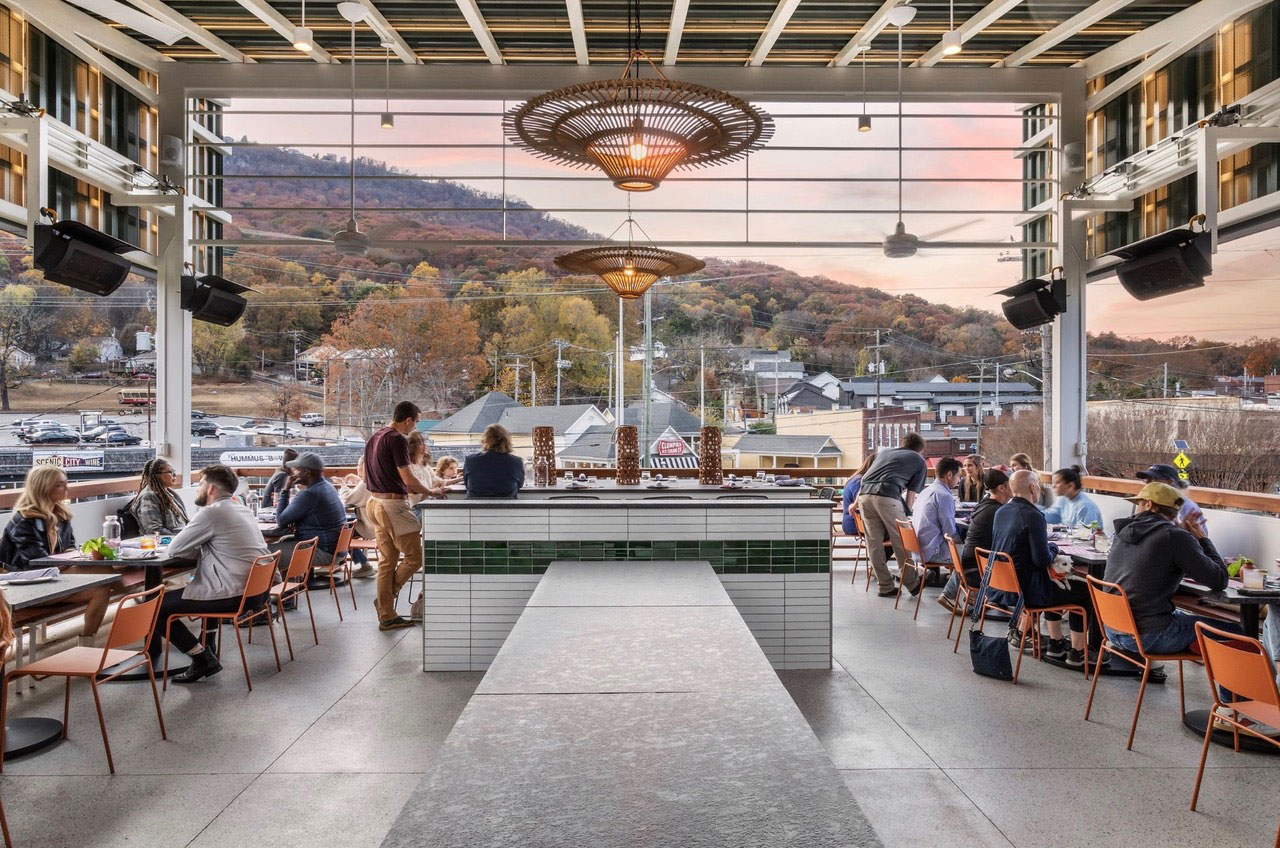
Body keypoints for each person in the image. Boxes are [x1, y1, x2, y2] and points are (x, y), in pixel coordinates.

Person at [147, 464, 271, 683]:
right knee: (203, 583)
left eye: (200, 483)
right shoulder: (240, 508)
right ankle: (208, 644)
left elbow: (175, 550)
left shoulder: (211, 513)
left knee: (155, 608)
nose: (197, 489)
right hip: (258, 592)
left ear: (211, 488)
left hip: (234, 594)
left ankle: (202, 658)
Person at [1103, 482, 1231, 654]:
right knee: (1236, 632)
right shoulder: (1174, 537)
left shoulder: (1121, 532)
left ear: (1149, 505)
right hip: (1148, 636)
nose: (1136, 509)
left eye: (1139, 504)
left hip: (1113, 629)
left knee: (1183, 617)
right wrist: (1202, 538)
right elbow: (1220, 579)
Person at [991, 469, 1098, 667]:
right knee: (1085, 592)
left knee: (1054, 582)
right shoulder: (1033, 515)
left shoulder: (1001, 511)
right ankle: (1078, 652)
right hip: (1028, 591)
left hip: (1003, 585)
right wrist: (1054, 547)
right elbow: (1042, 560)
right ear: (1033, 488)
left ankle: (1056, 644)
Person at [0, 466, 110, 640]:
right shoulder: (24, 521)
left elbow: (69, 547)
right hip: (26, 586)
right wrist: (71, 561)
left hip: (53, 579)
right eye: (60, 485)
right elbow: (36, 562)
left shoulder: (60, 515)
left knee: (102, 589)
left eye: (66, 483)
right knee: (104, 571)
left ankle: (87, 644)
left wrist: (75, 557)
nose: (67, 488)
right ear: (43, 488)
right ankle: (143, 602)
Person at [364, 401, 445, 631]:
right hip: (392, 505)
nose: (415, 426)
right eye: (416, 421)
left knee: (387, 561)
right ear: (408, 419)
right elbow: (408, 478)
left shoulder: (376, 436)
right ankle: (384, 601)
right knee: (415, 557)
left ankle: (387, 615)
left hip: (375, 503)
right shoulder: (397, 439)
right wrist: (431, 491)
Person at [855, 433, 928, 598]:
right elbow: (912, 492)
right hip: (887, 495)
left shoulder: (885, 452)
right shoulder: (918, 460)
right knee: (901, 541)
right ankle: (912, 583)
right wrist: (907, 513)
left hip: (864, 496)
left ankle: (885, 586)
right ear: (919, 449)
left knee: (874, 544)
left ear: (903, 443)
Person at [939, 468, 1011, 610]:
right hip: (978, 569)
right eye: (1011, 486)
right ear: (1002, 488)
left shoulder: (984, 504)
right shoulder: (998, 511)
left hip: (968, 563)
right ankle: (995, 600)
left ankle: (981, 597)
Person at [264, 453, 346, 568]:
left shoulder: (310, 494)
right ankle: (293, 584)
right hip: (335, 549)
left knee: (264, 552)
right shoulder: (328, 486)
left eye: (297, 470)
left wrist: (285, 490)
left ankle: (286, 585)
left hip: (322, 551)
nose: (293, 473)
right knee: (283, 541)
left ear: (307, 472)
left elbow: (281, 520)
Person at [911, 456, 963, 566]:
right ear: (949, 475)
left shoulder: (925, 491)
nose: (959, 480)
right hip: (933, 552)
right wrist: (962, 540)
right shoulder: (944, 496)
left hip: (918, 551)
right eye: (958, 476)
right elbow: (949, 531)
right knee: (973, 555)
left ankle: (950, 578)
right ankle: (956, 582)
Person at [1135, 463, 1207, 536]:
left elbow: (1199, 538)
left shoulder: (1185, 506)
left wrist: (1182, 531)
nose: (1147, 482)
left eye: (1153, 478)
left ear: (1170, 481)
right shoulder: (1152, 501)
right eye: (1146, 479)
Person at [463, 424, 525, 499]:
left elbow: (467, 484)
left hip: (475, 507)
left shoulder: (471, 460)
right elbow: (520, 485)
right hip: (507, 507)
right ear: (507, 441)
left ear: (485, 440)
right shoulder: (516, 462)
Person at [130, 458, 189, 535]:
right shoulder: (148, 497)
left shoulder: (171, 494)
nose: (174, 475)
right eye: (170, 472)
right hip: (168, 542)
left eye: (174, 471)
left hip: (182, 538)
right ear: (157, 475)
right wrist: (179, 539)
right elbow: (153, 530)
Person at [339, 458, 376, 578]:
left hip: (369, 526)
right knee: (343, 530)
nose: (357, 468)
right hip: (375, 522)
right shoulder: (372, 480)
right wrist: (358, 479)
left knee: (340, 533)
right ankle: (359, 563)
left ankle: (365, 565)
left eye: (358, 465)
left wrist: (343, 486)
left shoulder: (366, 483)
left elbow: (348, 498)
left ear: (365, 466)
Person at [841, 452, 876, 536]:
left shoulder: (856, 478)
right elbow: (862, 502)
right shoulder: (859, 482)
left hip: (850, 522)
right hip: (855, 524)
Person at [263, 448, 299, 513]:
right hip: (270, 512)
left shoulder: (280, 472)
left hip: (270, 510)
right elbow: (278, 499)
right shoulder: (282, 475)